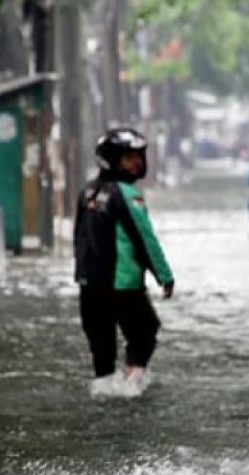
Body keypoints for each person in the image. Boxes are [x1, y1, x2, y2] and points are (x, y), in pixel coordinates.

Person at [73, 127, 175, 396]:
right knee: (146, 330)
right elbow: (146, 239)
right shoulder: (128, 195)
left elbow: (78, 238)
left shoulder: (87, 192)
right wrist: (164, 275)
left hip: (89, 285)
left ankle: (105, 390)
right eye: (129, 158)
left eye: (138, 157)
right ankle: (133, 382)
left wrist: (81, 274)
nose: (137, 163)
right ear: (112, 159)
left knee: (101, 349)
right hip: (124, 285)